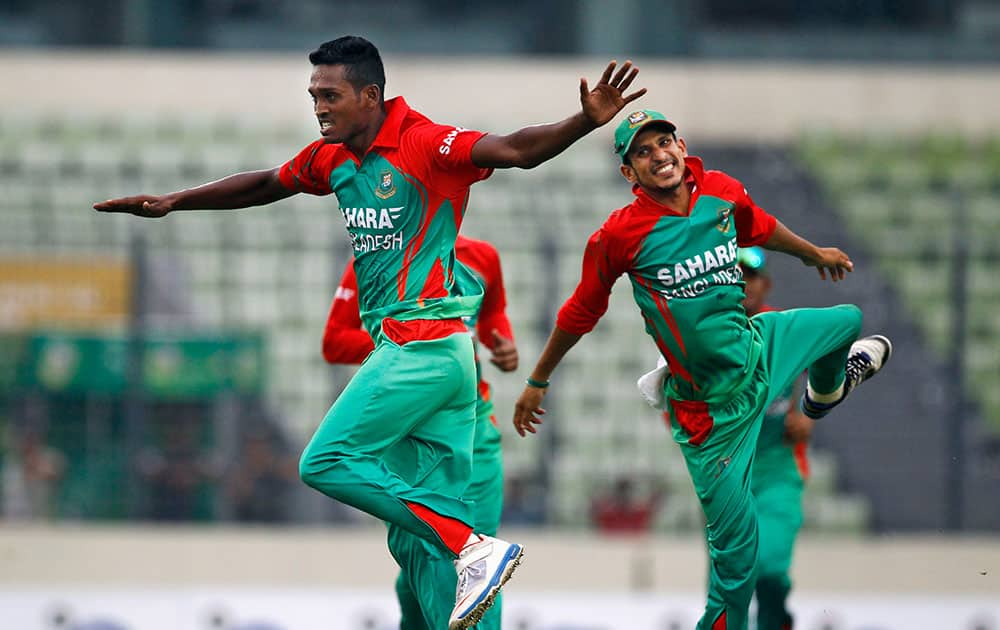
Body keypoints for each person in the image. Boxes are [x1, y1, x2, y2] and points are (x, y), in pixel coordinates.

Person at [94, 35, 645, 629]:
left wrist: (582, 123)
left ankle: (471, 545)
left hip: (423, 347)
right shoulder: (332, 158)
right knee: (415, 548)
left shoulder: (425, 142)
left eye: (330, 95)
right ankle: (460, 551)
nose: (319, 107)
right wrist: (176, 202)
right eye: (313, 96)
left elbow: (514, 149)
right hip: (435, 358)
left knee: (326, 462)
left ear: (370, 95)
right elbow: (263, 184)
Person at [512, 110, 892, 630]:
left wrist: (811, 254)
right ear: (629, 174)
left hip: (758, 351)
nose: (658, 155)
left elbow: (759, 226)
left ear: (680, 144)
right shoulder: (620, 234)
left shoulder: (720, 190)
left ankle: (824, 395)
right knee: (736, 577)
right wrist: (537, 380)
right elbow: (581, 311)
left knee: (847, 319)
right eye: (641, 152)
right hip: (710, 415)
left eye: (663, 142)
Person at [322, 234, 517, 629]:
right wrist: (415, 346)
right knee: (419, 555)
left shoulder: (482, 255)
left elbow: (493, 314)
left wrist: (504, 344)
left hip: (476, 429)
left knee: (475, 562)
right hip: (411, 431)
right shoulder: (376, 258)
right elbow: (335, 342)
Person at [739, 246, 813, 630]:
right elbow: (675, 410)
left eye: (749, 276)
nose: (742, 284)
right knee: (729, 584)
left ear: (765, 284)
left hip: (779, 468)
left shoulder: (784, 328)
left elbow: (829, 363)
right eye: (733, 276)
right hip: (727, 475)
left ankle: (775, 622)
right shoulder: (705, 337)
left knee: (769, 570)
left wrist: (812, 414)